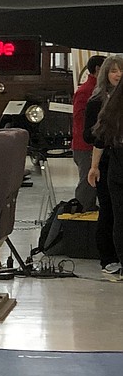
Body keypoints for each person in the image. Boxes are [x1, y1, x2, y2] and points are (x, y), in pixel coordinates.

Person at [87, 55, 123, 278]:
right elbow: (96, 138)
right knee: (112, 215)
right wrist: (94, 166)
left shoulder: (111, 106)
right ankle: (110, 259)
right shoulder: (98, 101)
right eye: (113, 71)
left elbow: (100, 138)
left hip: (116, 165)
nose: (118, 75)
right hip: (114, 166)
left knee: (118, 217)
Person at [72, 55, 105, 211]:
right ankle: (81, 217)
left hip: (93, 145)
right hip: (86, 147)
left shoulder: (99, 90)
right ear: (98, 70)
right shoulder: (86, 91)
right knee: (87, 184)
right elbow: (79, 120)